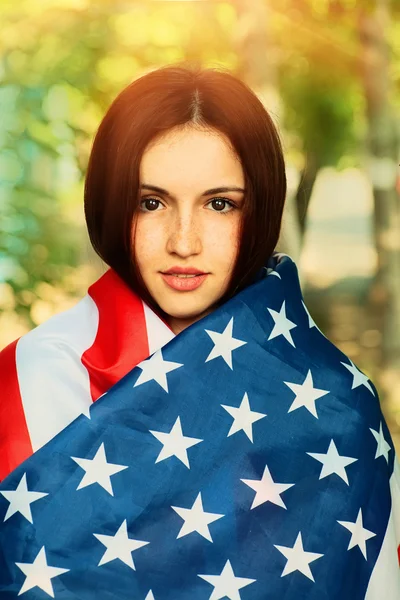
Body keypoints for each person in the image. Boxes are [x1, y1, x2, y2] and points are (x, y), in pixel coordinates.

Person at [0, 63, 399, 600]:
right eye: (152, 202)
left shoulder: (337, 406)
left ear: (258, 209)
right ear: (112, 203)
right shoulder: (30, 382)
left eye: (219, 204)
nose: (183, 241)